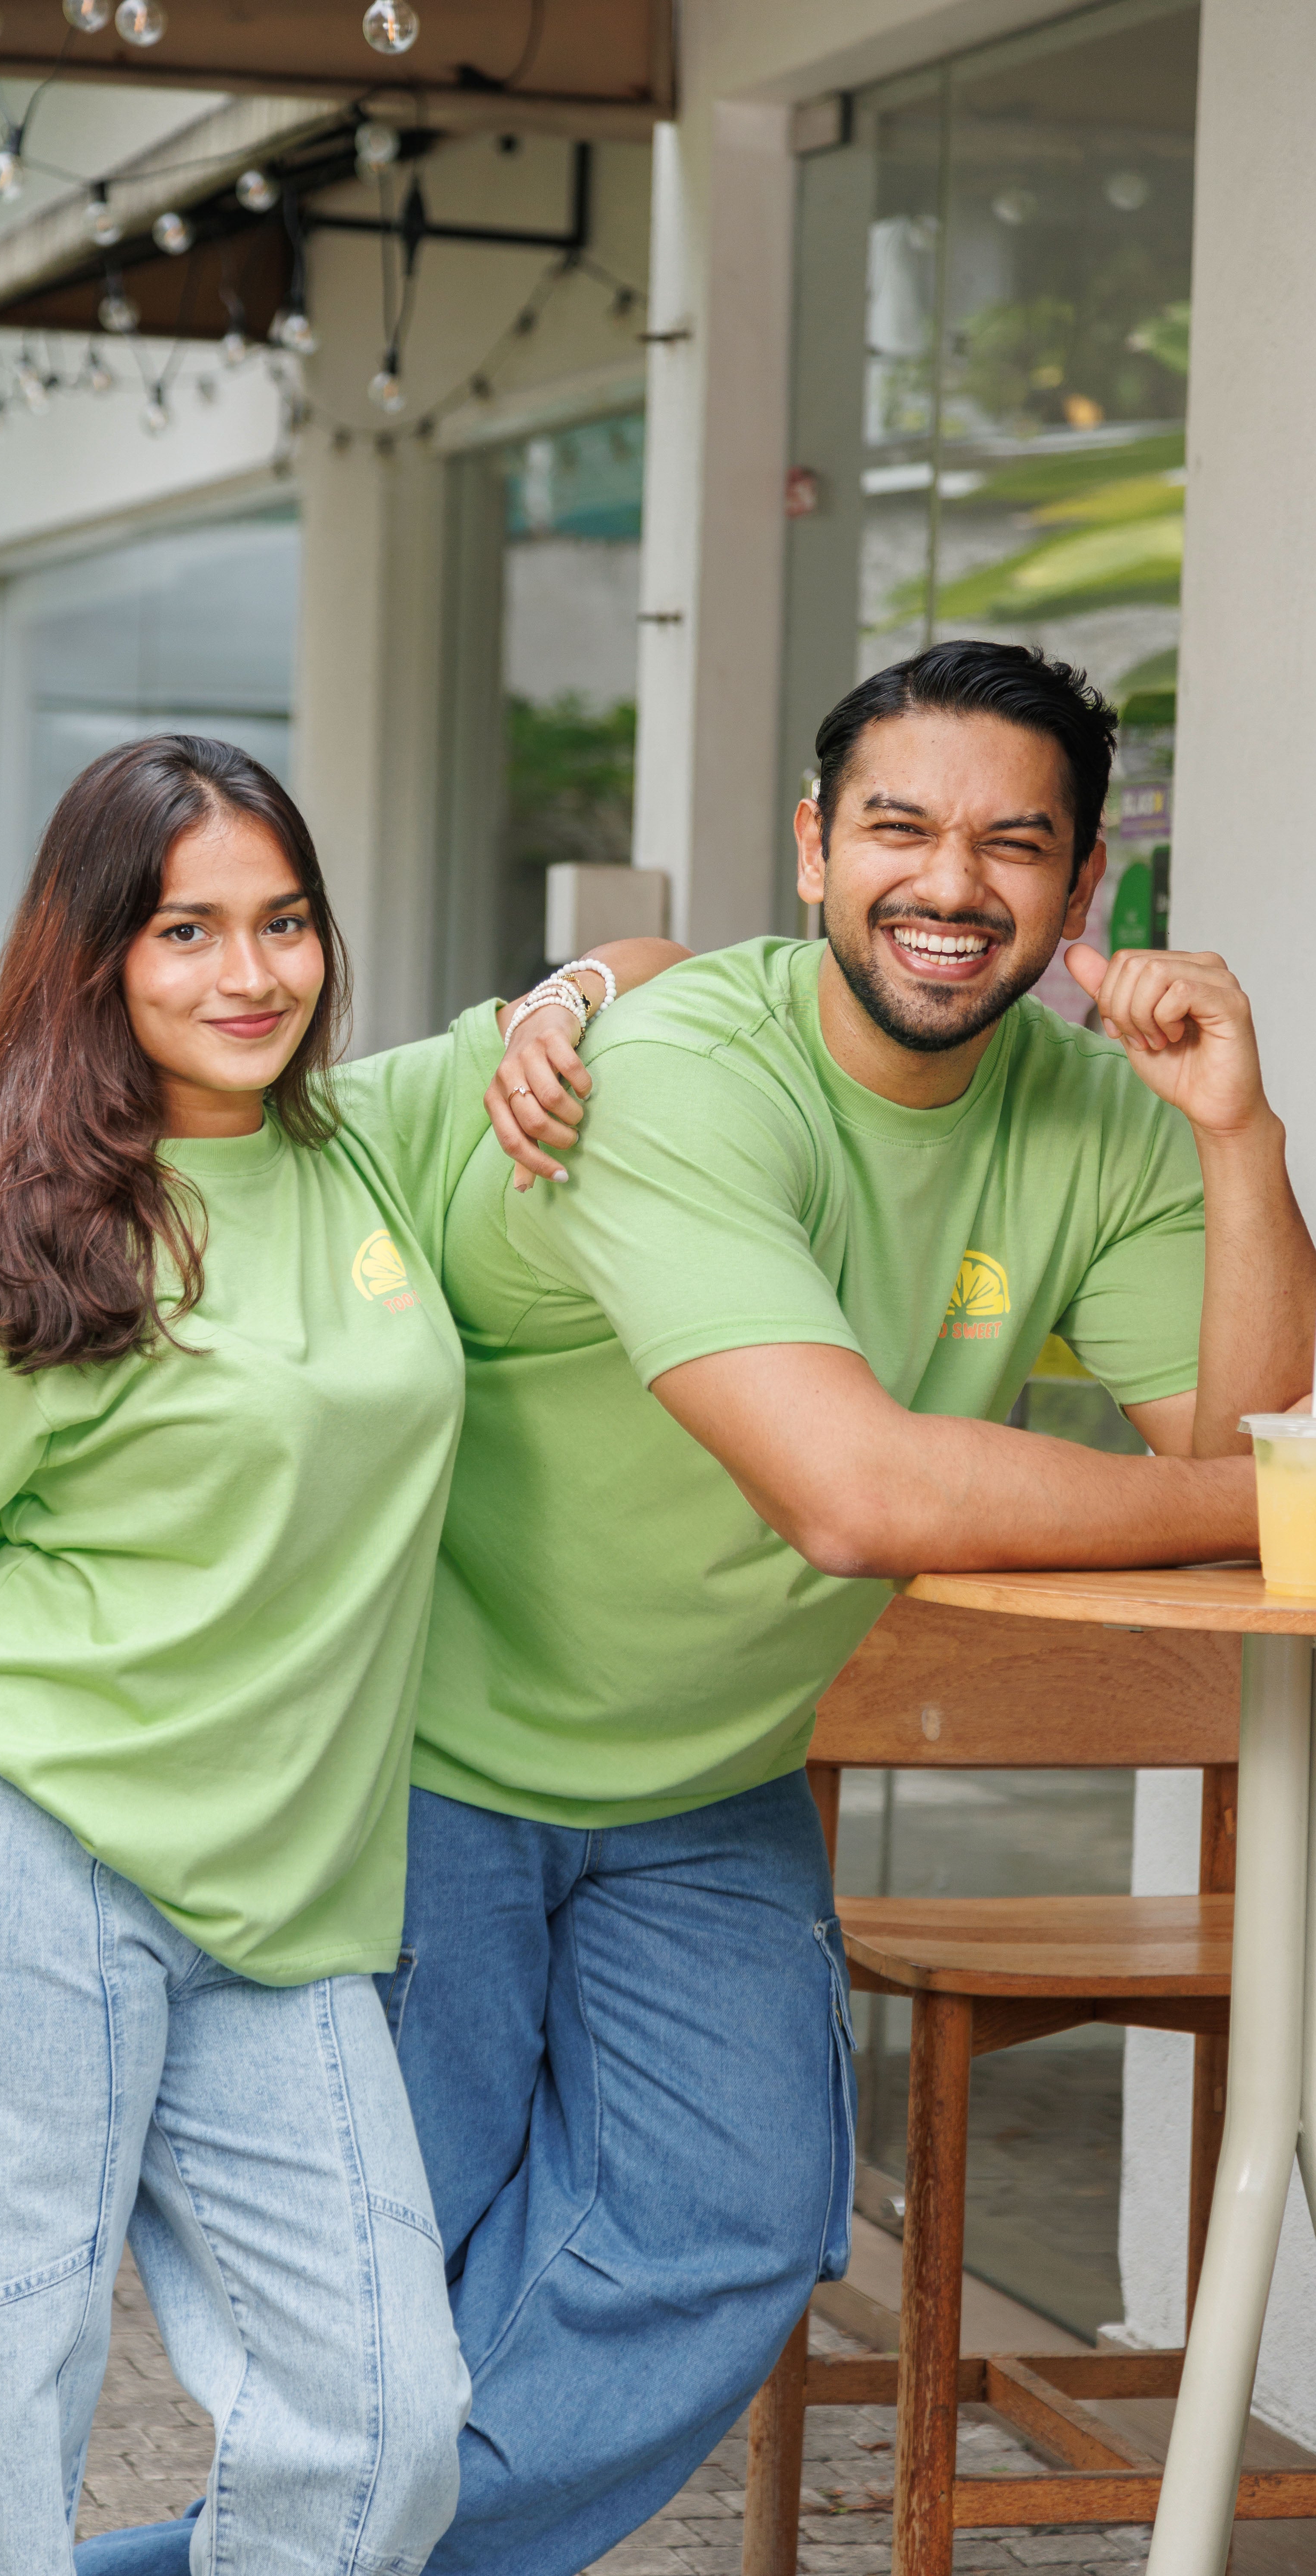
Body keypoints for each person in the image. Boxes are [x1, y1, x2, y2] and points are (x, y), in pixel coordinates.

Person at [86, 640, 1315, 2576]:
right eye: (898, 829)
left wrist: (1240, 1137)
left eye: (1015, 845)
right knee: (394, 2302)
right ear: (814, 848)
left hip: (703, 1775)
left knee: (730, 2227)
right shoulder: (670, 1073)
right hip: (416, 1753)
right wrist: (1258, 1498)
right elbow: (857, 1495)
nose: (950, 883)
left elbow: (1254, 1447)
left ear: (1084, 884)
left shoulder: (1096, 1115)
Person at [0, 732, 682, 2576]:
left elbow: (663, 971)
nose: (252, 975)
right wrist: (44, 1610)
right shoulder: (40, 1237)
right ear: (98, 959)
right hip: (23, 1873)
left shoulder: (374, 1142)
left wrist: (572, 994)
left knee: (382, 2424)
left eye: (284, 922)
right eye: (187, 932)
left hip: (287, 1910)